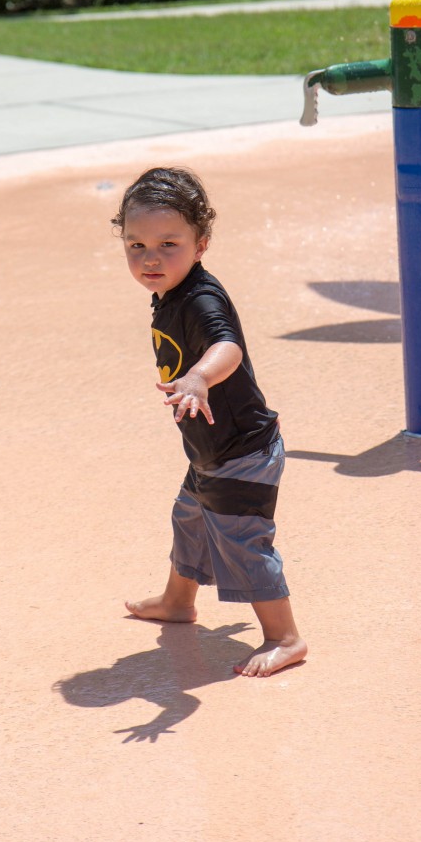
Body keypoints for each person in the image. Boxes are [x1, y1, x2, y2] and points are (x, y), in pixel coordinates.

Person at [112, 166, 307, 677]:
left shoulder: (199, 299)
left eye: (168, 244)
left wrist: (199, 377)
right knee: (191, 520)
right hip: (211, 447)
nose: (150, 258)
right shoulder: (172, 291)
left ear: (201, 244)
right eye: (136, 245)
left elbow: (228, 345)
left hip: (241, 448)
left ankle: (285, 638)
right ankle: (179, 602)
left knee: (242, 538)